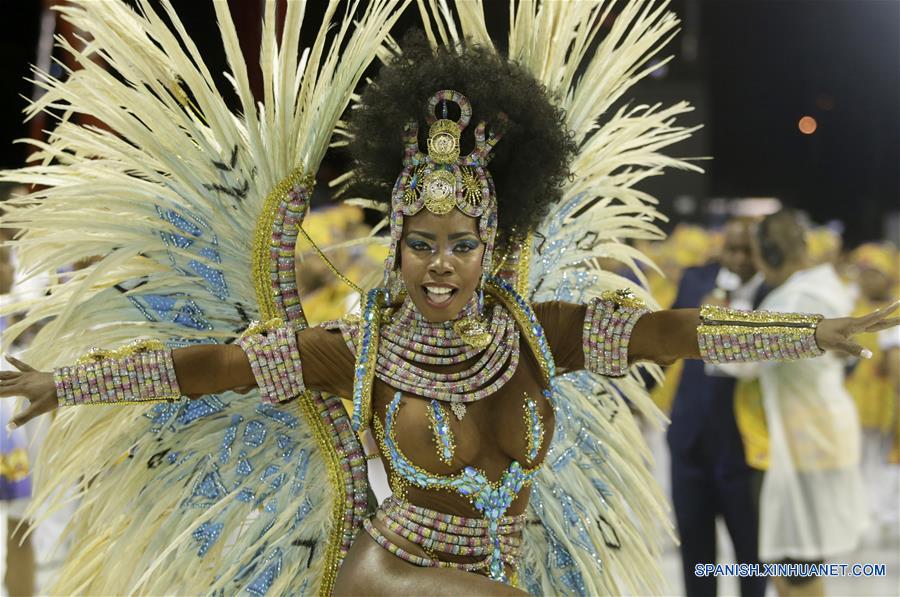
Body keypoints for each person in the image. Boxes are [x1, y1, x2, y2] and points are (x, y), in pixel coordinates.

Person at [1, 3, 898, 596]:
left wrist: (811, 329)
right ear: (396, 248)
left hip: (508, 566)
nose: (439, 266)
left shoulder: (539, 333)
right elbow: (216, 367)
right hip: (393, 570)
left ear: (489, 248)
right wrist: (64, 385)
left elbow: (676, 329)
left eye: (460, 246)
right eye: (420, 245)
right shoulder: (359, 347)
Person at [713, 210, 875, 597]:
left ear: (769, 252)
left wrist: (715, 326)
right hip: (820, 436)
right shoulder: (825, 285)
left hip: (803, 448)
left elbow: (747, 361)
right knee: (800, 566)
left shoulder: (796, 299)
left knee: (794, 572)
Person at [667, 217, 768, 597]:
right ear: (721, 248)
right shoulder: (696, 281)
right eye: (733, 249)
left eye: (749, 250)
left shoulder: (775, 296)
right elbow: (667, 340)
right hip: (690, 442)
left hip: (746, 450)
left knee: (752, 558)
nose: (740, 258)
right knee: (696, 559)